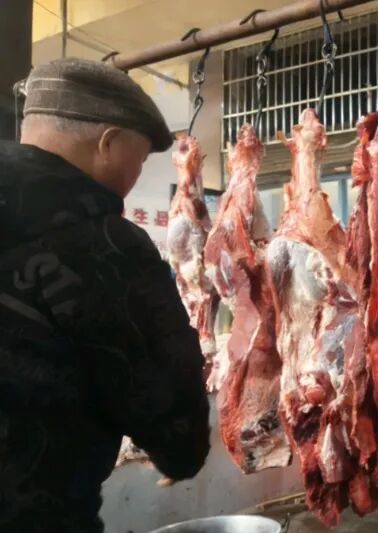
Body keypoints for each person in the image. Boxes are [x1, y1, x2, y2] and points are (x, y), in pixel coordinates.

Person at [0, 58, 210, 532]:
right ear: (108, 143)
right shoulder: (106, 247)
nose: (136, 175)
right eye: (140, 160)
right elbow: (178, 435)